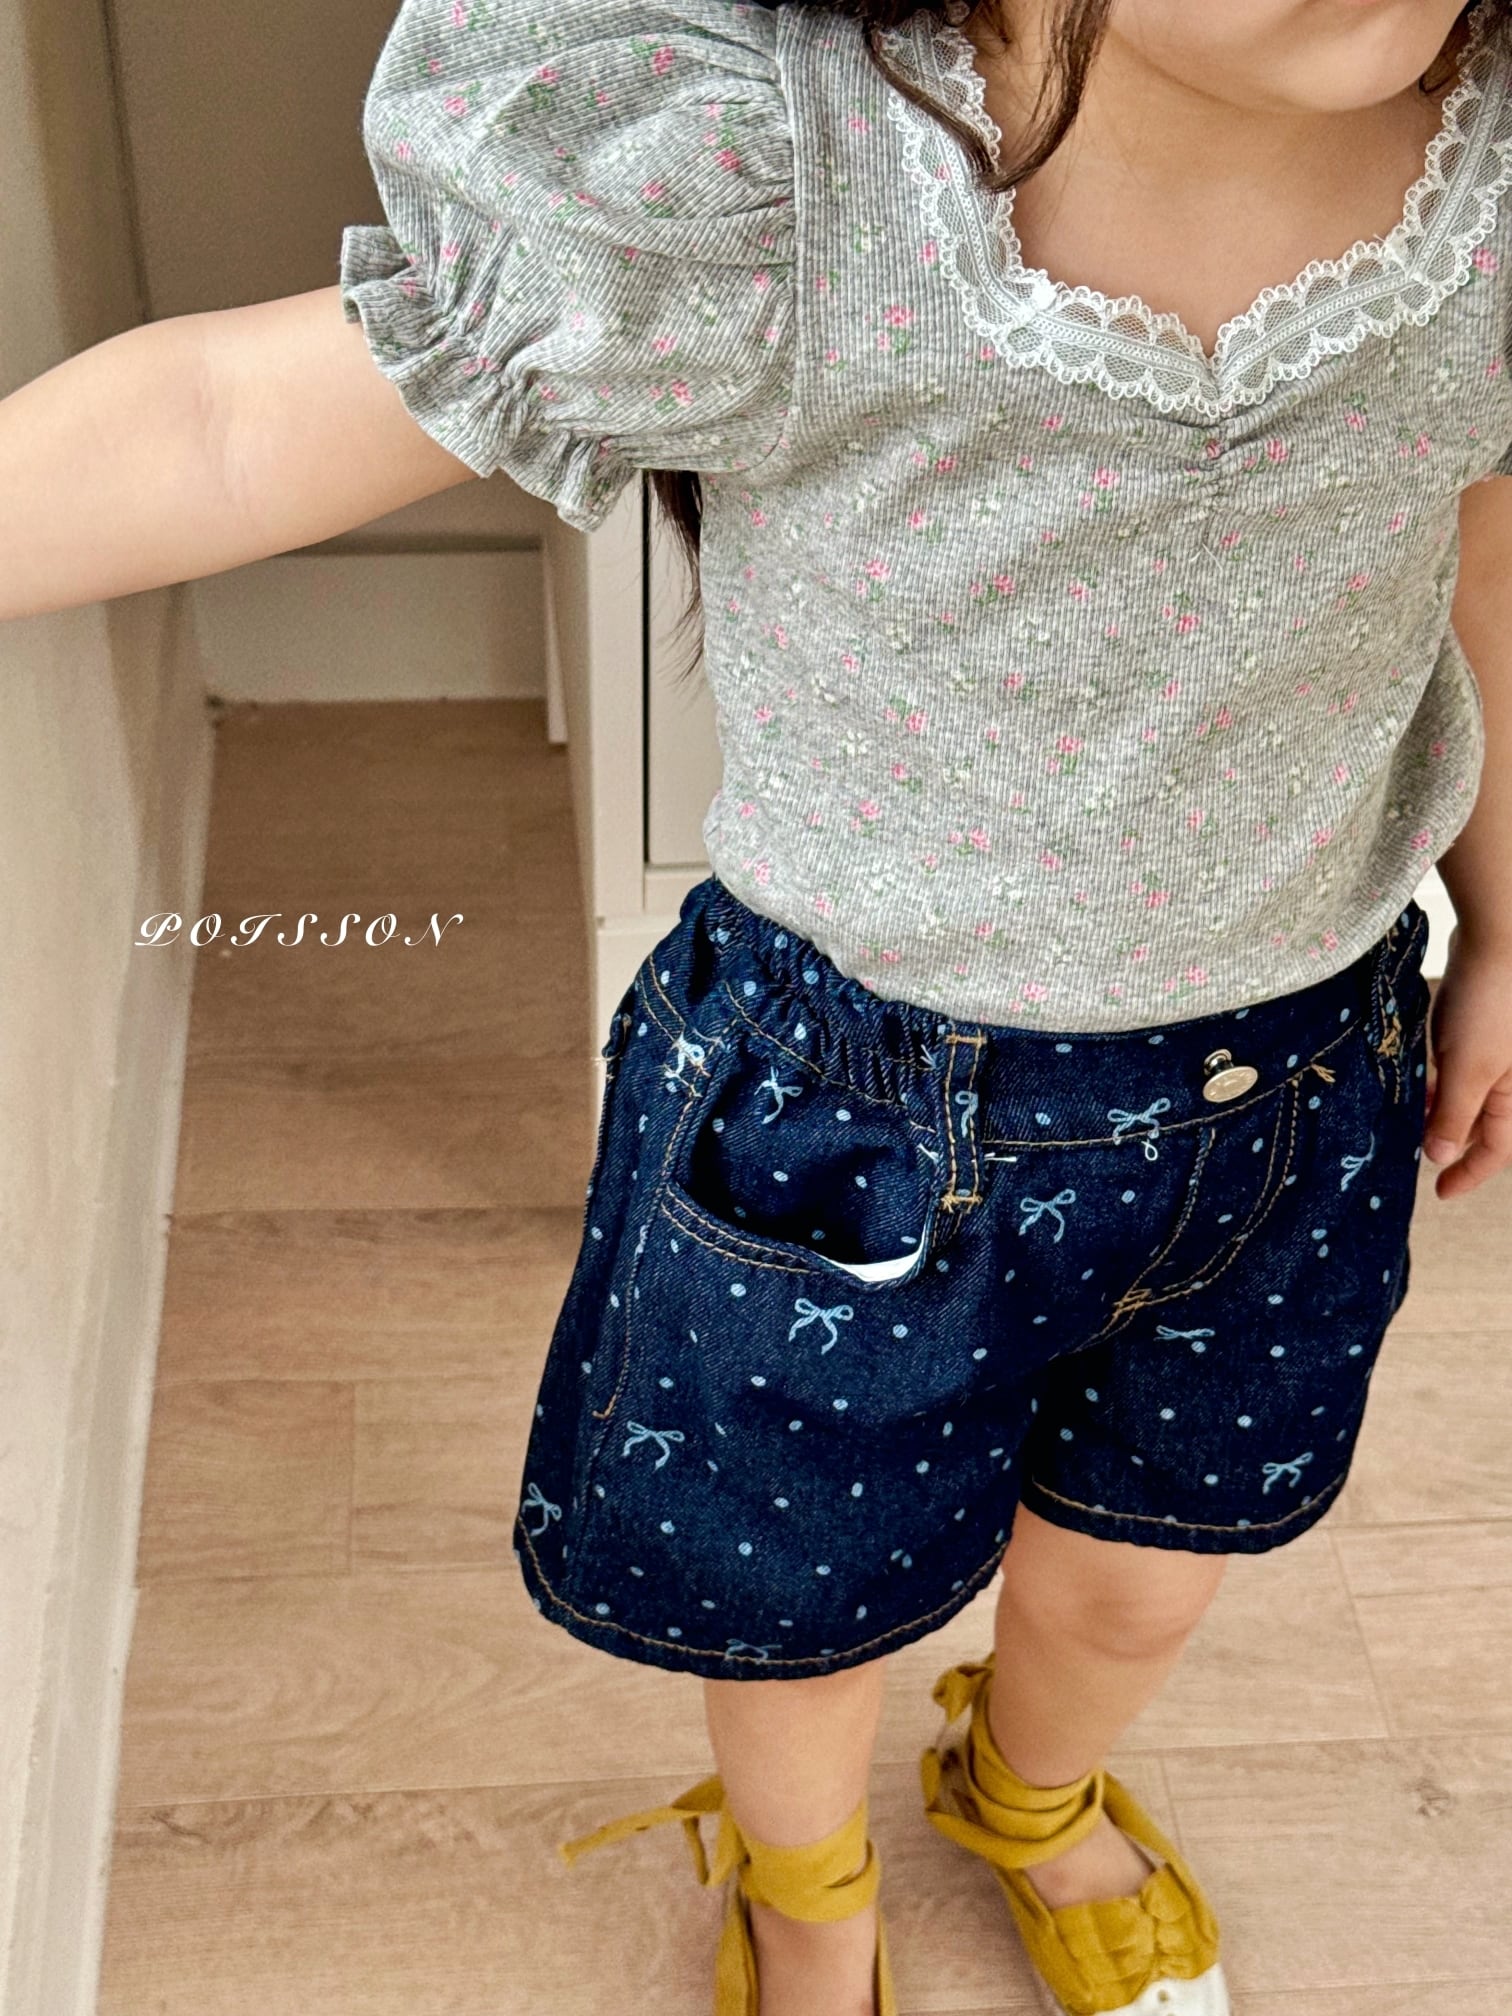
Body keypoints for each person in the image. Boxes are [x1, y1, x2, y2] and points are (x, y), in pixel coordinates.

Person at [6, 0, 1512, 2009]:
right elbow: (223, 420)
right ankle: (806, 1893)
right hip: (853, 1122)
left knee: (1144, 1583)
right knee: (791, 1613)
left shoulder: (1487, 170)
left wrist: (1504, 923)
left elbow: (1471, 539)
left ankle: (1027, 1794)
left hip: (1300, 1089)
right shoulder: (776, 178)